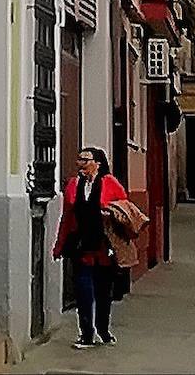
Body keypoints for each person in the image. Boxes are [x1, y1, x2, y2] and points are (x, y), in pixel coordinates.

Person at [52, 146, 128, 349]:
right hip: (81, 244)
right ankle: (86, 334)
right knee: (83, 291)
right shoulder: (73, 185)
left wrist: (110, 216)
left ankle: (103, 329)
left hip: (104, 246)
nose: (80, 164)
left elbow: (124, 211)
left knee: (104, 292)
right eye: (79, 160)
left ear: (98, 163)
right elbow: (67, 217)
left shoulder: (110, 183)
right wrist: (59, 245)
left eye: (85, 160)